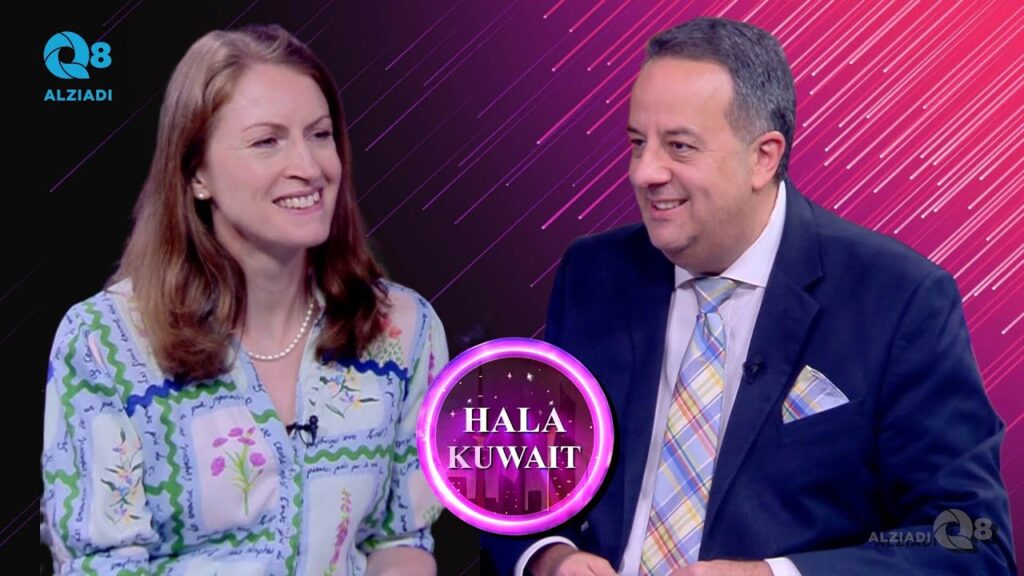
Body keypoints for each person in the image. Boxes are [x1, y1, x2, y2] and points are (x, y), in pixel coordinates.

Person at [481, 17, 1015, 576]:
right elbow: (518, 473)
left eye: (679, 146)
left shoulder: (899, 299)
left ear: (763, 157)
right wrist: (550, 557)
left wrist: (772, 575)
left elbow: (969, 540)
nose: (644, 172)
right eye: (638, 143)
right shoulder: (594, 274)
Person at [41, 24, 447, 575]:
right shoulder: (104, 343)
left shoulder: (403, 329)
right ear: (197, 173)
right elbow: (100, 566)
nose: (309, 167)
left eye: (320, 134)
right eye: (267, 141)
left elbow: (401, 538)